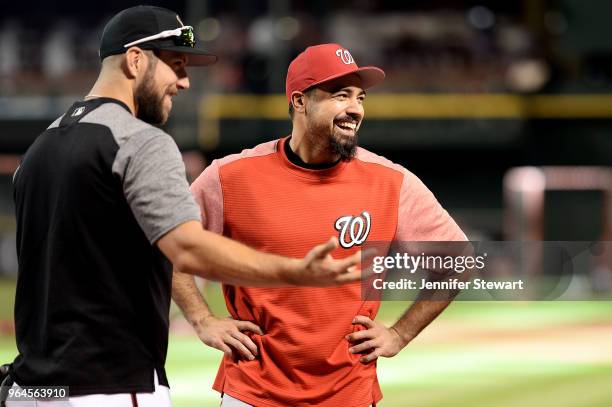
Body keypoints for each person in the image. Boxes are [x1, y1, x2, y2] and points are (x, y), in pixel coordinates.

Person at [4, 9, 362, 407]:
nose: (184, 81)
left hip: (32, 389)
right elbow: (188, 248)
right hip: (109, 384)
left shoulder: (38, 151)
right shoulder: (140, 141)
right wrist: (295, 271)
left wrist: (202, 318)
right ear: (136, 59)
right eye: (175, 65)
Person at [173, 43, 467, 406]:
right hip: (252, 393)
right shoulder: (230, 177)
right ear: (299, 101)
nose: (355, 109)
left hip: (350, 394)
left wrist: (399, 334)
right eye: (340, 95)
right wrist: (202, 319)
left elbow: (458, 262)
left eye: (360, 98)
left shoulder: (390, 181)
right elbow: (166, 245)